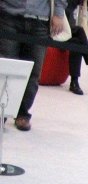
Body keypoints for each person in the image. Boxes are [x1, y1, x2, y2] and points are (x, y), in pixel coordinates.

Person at [0, 0, 69, 131]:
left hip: (40, 20)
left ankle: (23, 113)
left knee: (33, 72)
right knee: (6, 69)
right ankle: (1, 112)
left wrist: (58, 13)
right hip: (8, 14)